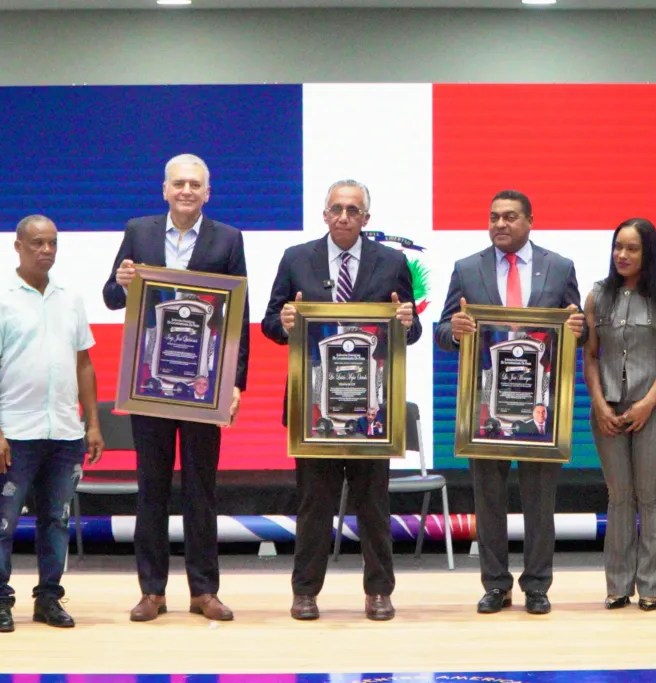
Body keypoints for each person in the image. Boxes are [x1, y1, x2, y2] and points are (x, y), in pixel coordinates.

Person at [261, 179, 421, 622]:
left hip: (373, 409)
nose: (345, 216)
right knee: (314, 504)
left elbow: (411, 330)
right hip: (314, 410)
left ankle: (379, 592)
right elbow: (270, 322)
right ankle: (305, 592)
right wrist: (286, 319)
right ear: (325, 214)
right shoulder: (297, 259)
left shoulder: (392, 262)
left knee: (373, 503)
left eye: (354, 210)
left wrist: (407, 321)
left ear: (366, 218)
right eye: (337, 209)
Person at [102, 153, 250, 623]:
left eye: (195, 185)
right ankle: (152, 591)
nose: (186, 191)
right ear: (164, 189)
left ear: (208, 192)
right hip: (150, 383)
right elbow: (111, 295)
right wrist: (122, 282)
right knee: (152, 488)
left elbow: (239, 317)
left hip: (205, 386)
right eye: (178, 184)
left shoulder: (228, 238)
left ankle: (204, 590)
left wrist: (235, 383)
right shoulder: (139, 232)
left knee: (202, 489)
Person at [435, 189, 585, 616]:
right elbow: (443, 331)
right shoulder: (467, 268)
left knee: (541, 500)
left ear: (530, 221)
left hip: (540, 409)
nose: (500, 224)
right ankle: (495, 585)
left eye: (510, 217)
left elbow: (578, 330)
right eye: (494, 217)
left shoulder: (559, 267)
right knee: (488, 498)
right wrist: (455, 329)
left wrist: (579, 326)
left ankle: (537, 585)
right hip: (484, 408)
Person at [0, 215, 105, 632]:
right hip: (16, 432)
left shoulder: (70, 298)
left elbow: (84, 363)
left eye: (52, 243)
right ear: (18, 246)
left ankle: (49, 597)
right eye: (36, 243)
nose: (45, 250)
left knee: (57, 520)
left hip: (65, 432)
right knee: (2, 520)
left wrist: (93, 423)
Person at [583, 218, 656, 612]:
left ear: (649, 253)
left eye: (632, 248)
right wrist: (599, 403)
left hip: (653, 408)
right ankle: (618, 584)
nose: (622, 255)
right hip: (608, 406)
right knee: (619, 495)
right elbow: (590, 355)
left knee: (650, 494)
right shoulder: (597, 296)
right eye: (617, 247)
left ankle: (652, 586)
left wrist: (647, 403)